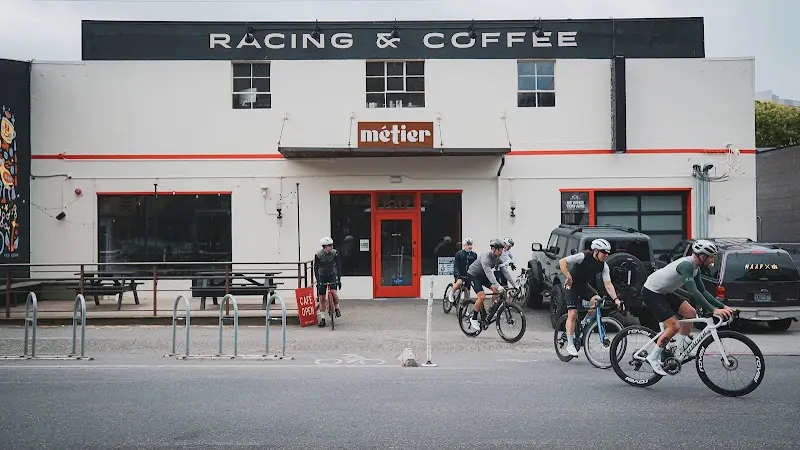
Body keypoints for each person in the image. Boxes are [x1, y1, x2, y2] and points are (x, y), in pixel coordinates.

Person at [640, 239, 735, 375]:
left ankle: (679, 348)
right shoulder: (686, 266)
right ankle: (653, 357)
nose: (712, 260)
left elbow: (703, 291)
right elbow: (694, 292)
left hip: (664, 291)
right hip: (652, 292)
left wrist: (723, 306)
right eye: (711, 257)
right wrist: (713, 310)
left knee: (690, 312)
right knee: (674, 326)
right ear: (702, 257)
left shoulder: (695, 268)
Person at [558, 238, 624, 357]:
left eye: (608, 253)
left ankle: (584, 323)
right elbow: (562, 261)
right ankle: (570, 344)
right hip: (571, 285)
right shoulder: (583, 256)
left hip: (583, 286)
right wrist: (568, 276)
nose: (606, 255)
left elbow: (608, 284)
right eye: (604, 252)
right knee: (572, 314)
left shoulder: (604, 266)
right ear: (596, 251)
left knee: (597, 301)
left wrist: (616, 299)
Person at [466, 239, 513, 332]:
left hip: (482, 275)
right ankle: (474, 318)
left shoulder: (497, 258)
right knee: (482, 296)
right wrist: (498, 285)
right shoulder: (486, 258)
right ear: (494, 249)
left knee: (496, 291)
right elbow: (489, 274)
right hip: (473, 275)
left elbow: (505, 271)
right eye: (500, 250)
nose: (502, 251)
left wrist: (515, 285)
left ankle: (490, 310)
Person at [315, 236, 343, 328]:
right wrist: (318, 281)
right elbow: (316, 268)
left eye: (331, 245)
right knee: (322, 298)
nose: (331, 247)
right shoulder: (318, 255)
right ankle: (323, 319)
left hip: (331, 275)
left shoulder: (335, 253)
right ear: (324, 247)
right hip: (322, 275)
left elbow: (338, 266)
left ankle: (337, 308)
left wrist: (338, 279)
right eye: (329, 245)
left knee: (334, 293)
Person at [448, 238, 478, 304]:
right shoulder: (459, 253)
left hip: (468, 275)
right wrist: (457, 274)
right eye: (468, 245)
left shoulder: (474, 255)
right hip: (459, 273)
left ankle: (465, 308)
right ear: (464, 246)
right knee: (459, 282)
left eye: (471, 245)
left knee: (467, 292)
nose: (470, 246)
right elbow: (456, 265)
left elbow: (475, 265)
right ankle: (451, 293)